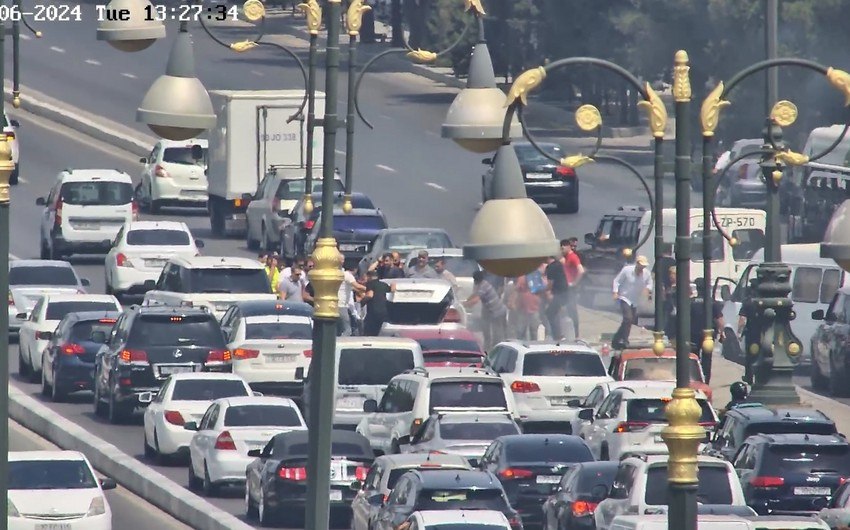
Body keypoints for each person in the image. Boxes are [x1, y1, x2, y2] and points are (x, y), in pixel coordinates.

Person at [612, 255, 653, 349]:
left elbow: (650, 283)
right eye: (641, 265)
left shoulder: (646, 273)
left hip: (635, 300)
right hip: (624, 297)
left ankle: (616, 338)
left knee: (629, 321)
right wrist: (615, 292)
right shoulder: (627, 270)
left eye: (644, 266)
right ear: (637, 264)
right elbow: (616, 281)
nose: (643, 268)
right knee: (628, 318)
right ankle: (625, 340)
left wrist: (647, 289)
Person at [690, 277, 725, 383]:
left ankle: (694, 378)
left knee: (693, 358)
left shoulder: (691, 302)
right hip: (708, 336)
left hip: (694, 334)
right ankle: (705, 380)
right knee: (707, 359)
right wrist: (722, 333)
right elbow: (720, 320)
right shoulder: (713, 303)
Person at [464, 271, 508, 349]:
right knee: (486, 331)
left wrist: (464, 305)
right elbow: (474, 294)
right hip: (490, 311)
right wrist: (466, 301)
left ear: (477, 280)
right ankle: (487, 348)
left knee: (497, 334)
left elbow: (475, 300)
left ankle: (497, 349)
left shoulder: (484, 285)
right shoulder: (479, 284)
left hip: (498, 311)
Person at [562, 237, 585, 339]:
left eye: (562, 249)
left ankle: (576, 334)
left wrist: (574, 283)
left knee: (572, 311)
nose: (561, 251)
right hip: (566, 288)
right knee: (565, 310)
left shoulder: (573, 257)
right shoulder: (566, 257)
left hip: (571, 288)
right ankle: (567, 332)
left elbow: (581, 270)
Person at [338, 254, 366, 336]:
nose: (342, 261)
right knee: (347, 330)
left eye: (343, 259)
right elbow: (357, 286)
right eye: (341, 259)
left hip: (337, 304)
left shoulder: (339, 273)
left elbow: (352, 288)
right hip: (341, 305)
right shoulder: (347, 275)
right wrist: (371, 288)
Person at [545, 253, 570, 341]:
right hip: (565, 293)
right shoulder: (558, 264)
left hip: (558, 294)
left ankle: (557, 336)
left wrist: (545, 290)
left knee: (550, 313)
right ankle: (559, 334)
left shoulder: (550, 268)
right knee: (556, 312)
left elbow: (550, 283)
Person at [362, 270, 394, 336]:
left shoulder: (370, 284)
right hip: (384, 311)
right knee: (379, 330)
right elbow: (392, 290)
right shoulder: (384, 284)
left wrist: (362, 301)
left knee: (369, 332)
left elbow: (370, 295)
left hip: (373, 311)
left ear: (369, 277)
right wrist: (394, 284)